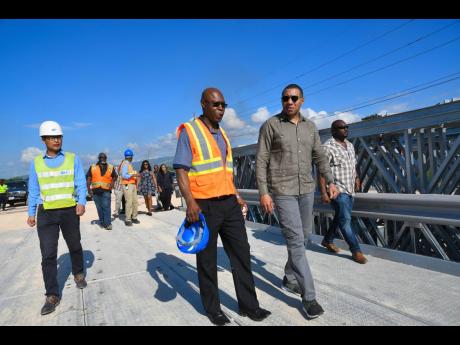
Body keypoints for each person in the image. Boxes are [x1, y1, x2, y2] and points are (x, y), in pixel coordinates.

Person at [174, 87, 271, 326]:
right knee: (206, 259)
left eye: (223, 105)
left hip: (228, 202)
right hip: (204, 204)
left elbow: (224, 171)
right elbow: (181, 170)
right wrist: (190, 202)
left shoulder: (223, 134)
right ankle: (213, 309)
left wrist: (236, 195)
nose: (220, 109)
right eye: (215, 104)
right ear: (203, 105)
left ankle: (250, 306)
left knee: (241, 254)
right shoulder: (190, 131)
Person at [256, 84, 339, 320]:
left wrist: (330, 181)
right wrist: (264, 192)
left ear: (302, 100)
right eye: (285, 98)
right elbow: (261, 160)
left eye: (293, 98)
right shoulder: (271, 125)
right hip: (282, 191)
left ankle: (289, 277)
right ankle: (309, 297)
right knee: (295, 241)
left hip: (306, 190)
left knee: (303, 238)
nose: (289, 102)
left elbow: (320, 157)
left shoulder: (310, 127)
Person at [26, 121, 88, 315]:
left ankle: (78, 273)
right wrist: (31, 213)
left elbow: (80, 181)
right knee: (48, 255)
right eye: (52, 137)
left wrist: (82, 201)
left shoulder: (72, 158)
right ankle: (52, 294)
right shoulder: (36, 163)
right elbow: (33, 189)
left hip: (69, 211)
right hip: (46, 214)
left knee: (75, 245)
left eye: (59, 136)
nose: (57, 140)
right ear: (44, 140)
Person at [319, 120, 368, 264]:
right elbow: (322, 171)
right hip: (337, 191)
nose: (345, 130)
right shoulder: (327, 147)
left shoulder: (350, 145)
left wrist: (357, 178)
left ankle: (327, 240)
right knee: (346, 221)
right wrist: (323, 192)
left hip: (350, 189)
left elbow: (353, 164)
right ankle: (356, 251)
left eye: (347, 127)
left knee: (340, 218)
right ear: (333, 130)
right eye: (341, 128)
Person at [86, 153, 117, 230]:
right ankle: (102, 222)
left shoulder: (110, 167)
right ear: (99, 158)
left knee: (106, 207)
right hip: (95, 191)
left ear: (106, 158)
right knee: (99, 208)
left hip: (106, 190)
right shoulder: (93, 167)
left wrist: (112, 184)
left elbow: (115, 176)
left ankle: (108, 224)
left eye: (104, 157)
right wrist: (88, 189)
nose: (103, 158)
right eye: (101, 157)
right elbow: (89, 178)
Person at [120, 149, 141, 226]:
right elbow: (124, 175)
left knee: (135, 201)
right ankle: (128, 219)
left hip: (132, 184)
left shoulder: (129, 164)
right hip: (126, 185)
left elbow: (128, 173)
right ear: (131, 156)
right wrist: (133, 175)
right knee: (129, 201)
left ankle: (134, 217)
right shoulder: (125, 164)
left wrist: (134, 174)